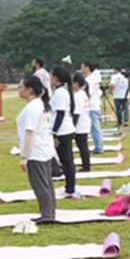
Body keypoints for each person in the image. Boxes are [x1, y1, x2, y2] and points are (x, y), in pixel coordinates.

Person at [15, 74, 58, 223]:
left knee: (40, 184)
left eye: (21, 87)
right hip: (44, 148)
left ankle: (47, 215)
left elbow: (30, 133)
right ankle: (49, 212)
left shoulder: (33, 107)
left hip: (37, 151)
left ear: (30, 90)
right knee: (46, 183)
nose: (18, 89)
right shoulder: (38, 104)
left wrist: (24, 157)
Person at [49, 67, 80, 197]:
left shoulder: (61, 93)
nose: (50, 79)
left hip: (63, 131)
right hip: (64, 129)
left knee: (66, 161)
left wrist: (54, 132)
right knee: (66, 160)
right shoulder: (59, 91)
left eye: (51, 76)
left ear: (56, 78)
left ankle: (70, 187)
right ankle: (69, 185)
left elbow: (60, 114)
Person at [81, 62, 104, 154]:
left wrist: (84, 105)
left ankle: (99, 147)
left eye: (82, 67)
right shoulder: (94, 78)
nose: (81, 69)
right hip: (95, 104)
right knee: (95, 127)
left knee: (94, 127)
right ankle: (98, 146)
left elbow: (88, 94)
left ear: (87, 68)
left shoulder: (89, 80)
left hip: (91, 106)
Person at [71, 73, 92, 172]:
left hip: (81, 124)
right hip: (84, 122)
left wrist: (72, 127)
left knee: (82, 146)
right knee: (83, 146)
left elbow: (76, 113)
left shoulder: (78, 95)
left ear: (76, 83)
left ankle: (86, 166)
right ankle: (86, 165)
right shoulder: (82, 94)